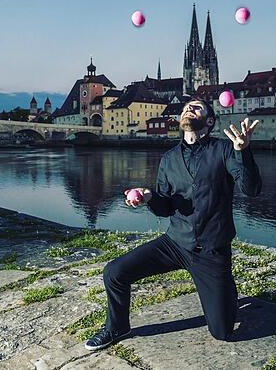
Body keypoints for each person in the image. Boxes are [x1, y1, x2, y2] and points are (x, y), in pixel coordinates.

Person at [84, 98, 262, 350]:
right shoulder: (169, 159)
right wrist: (148, 197)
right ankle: (117, 327)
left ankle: (226, 289)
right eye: (185, 107)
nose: (189, 108)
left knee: (222, 332)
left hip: (211, 250)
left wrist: (243, 151)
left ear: (209, 121)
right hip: (176, 243)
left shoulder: (224, 149)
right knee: (114, 272)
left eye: (197, 107)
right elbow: (165, 208)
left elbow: (252, 189)